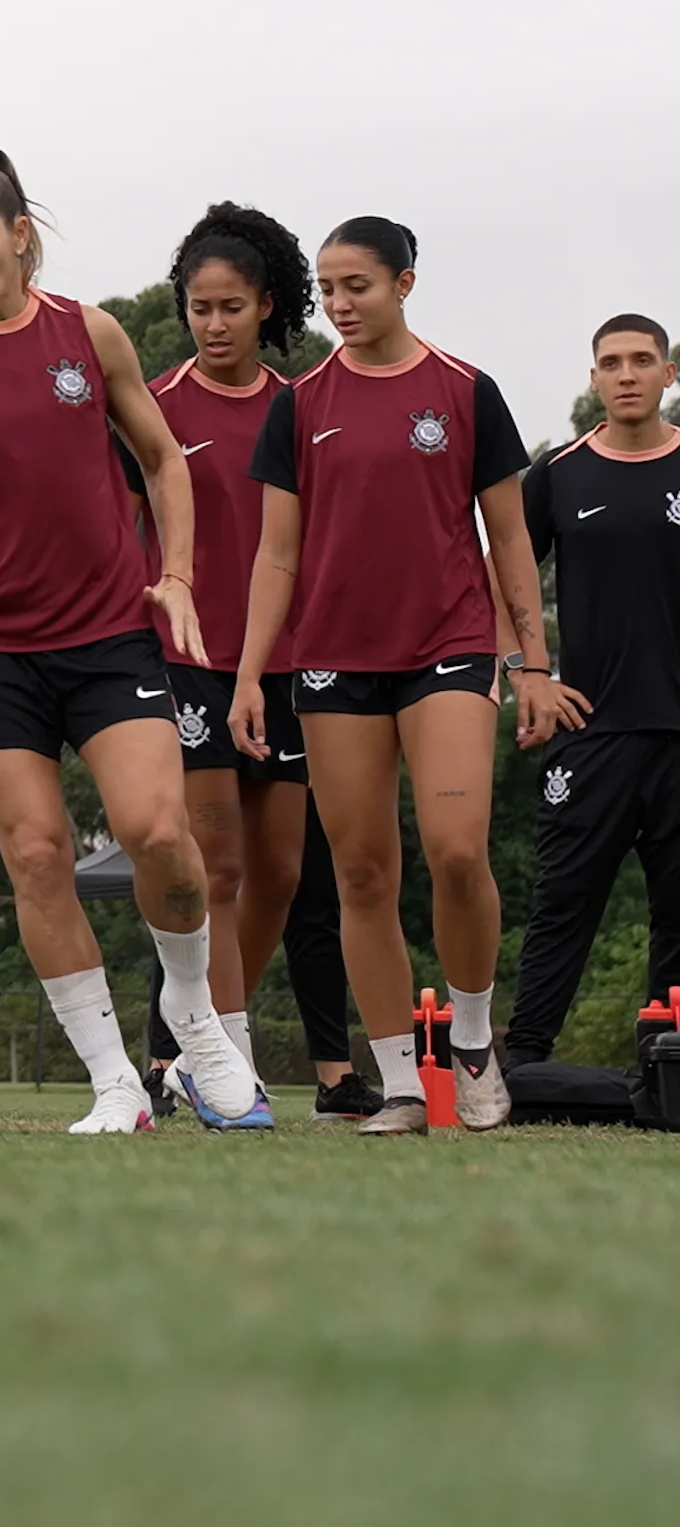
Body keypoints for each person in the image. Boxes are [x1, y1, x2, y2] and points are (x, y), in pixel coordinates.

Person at [0, 150, 264, 1134]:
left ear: (19, 237)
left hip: (107, 630)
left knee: (159, 836)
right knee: (39, 854)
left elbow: (165, 459)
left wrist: (173, 574)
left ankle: (194, 1015)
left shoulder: (88, 333)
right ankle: (112, 1084)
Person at [233, 216, 542, 1135]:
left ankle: (476, 1041)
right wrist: (251, 675)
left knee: (455, 850)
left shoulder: (465, 391)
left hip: (448, 647)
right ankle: (402, 1083)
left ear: (405, 284)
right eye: (326, 289)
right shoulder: (300, 402)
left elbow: (511, 536)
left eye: (356, 286)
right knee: (363, 872)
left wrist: (528, 659)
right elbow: (276, 556)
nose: (337, 305)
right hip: (331, 659)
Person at [137, 204, 330, 1114]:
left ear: (267, 308)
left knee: (281, 872)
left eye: (230, 308)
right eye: (198, 308)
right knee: (215, 867)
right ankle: (230, 1061)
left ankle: (194, 1046)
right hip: (187, 659)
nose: (213, 325)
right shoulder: (158, 405)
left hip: (290, 660)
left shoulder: (302, 408)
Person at [507, 315, 680, 1066]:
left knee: (679, 912)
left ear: (669, 374)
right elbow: (501, 575)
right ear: (594, 379)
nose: (628, 373)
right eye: (612, 362)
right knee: (563, 903)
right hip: (594, 729)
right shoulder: (560, 471)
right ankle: (523, 1060)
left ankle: (665, 1060)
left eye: (643, 360)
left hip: (679, 732)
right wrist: (527, 673)